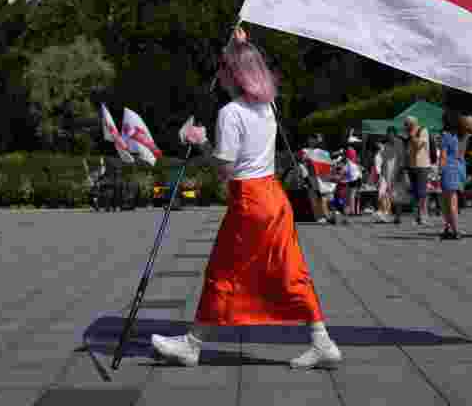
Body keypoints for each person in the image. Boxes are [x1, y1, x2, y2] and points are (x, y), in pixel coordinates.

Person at [151, 27, 342, 370]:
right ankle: (322, 340)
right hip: (274, 198)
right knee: (291, 270)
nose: (219, 74)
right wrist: (240, 46)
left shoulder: (230, 113)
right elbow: (252, 64)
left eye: (224, 68)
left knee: (222, 271)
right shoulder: (268, 105)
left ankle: (192, 345)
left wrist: (199, 142)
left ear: (234, 74)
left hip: (249, 200)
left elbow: (225, 168)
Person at [403, 116, 433, 226]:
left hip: (422, 166)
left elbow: (418, 145)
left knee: (422, 192)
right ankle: (417, 217)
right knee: (415, 193)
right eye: (405, 125)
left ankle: (424, 216)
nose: (406, 127)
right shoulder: (408, 133)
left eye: (407, 124)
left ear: (413, 123)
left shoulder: (423, 130)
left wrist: (412, 135)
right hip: (411, 166)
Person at [382, 126, 408, 224]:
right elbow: (384, 160)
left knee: (398, 194)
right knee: (392, 195)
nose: (389, 136)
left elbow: (402, 158)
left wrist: (400, 171)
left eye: (391, 134)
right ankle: (392, 215)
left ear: (395, 134)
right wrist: (383, 172)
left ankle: (398, 216)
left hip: (397, 172)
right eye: (388, 134)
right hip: (389, 172)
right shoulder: (386, 145)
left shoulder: (399, 143)